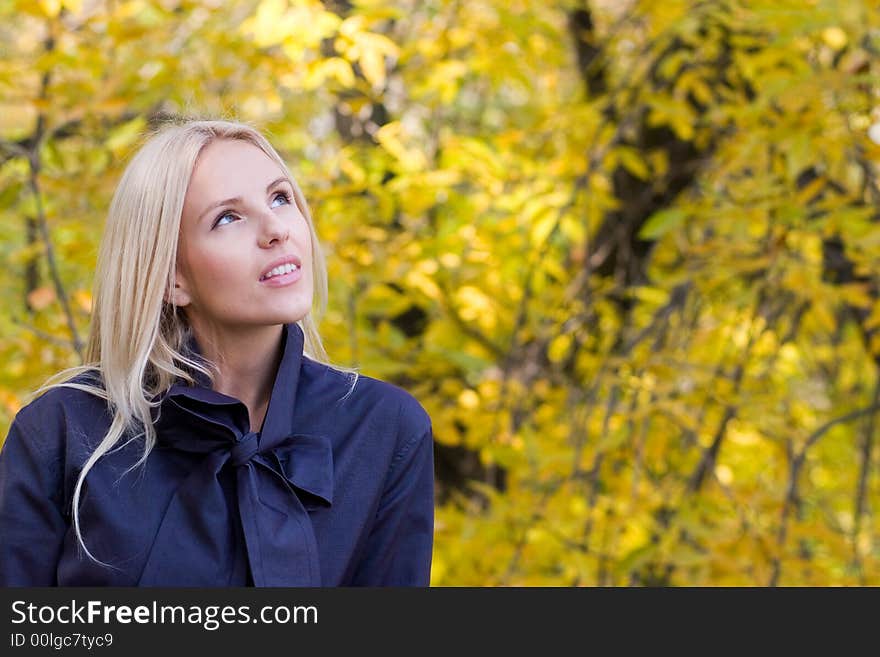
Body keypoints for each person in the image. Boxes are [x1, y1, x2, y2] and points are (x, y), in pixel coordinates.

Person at [0, 118, 435, 586]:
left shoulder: (386, 430)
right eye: (228, 217)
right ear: (171, 278)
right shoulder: (62, 431)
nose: (275, 229)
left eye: (280, 198)